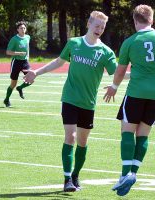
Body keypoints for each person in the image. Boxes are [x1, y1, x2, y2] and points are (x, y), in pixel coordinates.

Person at [23, 11, 117, 192]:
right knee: (70, 137)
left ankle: (75, 175)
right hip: (70, 97)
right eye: (97, 26)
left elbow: (118, 72)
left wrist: (140, 74)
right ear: (88, 24)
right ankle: (67, 180)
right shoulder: (74, 43)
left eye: (103, 27)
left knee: (82, 142)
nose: (99, 29)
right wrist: (36, 72)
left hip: (88, 102)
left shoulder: (106, 52)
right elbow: (58, 62)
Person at [103, 4, 155, 196]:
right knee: (143, 135)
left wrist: (114, 87)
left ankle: (125, 174)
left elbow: (120, 70)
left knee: (127, 132)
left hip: (135, 94)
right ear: (152, 19)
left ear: (134, 20)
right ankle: (134, 172)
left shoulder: (130, 41)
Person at [4, 21, 32, 107]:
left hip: (25, 62)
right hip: (16, 62)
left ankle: (20, 88)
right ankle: (6, 100)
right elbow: (8, 52)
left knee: (31, 78)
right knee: (13, 84)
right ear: (17, 30)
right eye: (21, 28)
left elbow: (27, 48)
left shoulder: (28, 37)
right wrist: (18, 53)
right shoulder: (14, 39)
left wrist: (28, 57)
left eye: (24, 28)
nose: (23, 29)